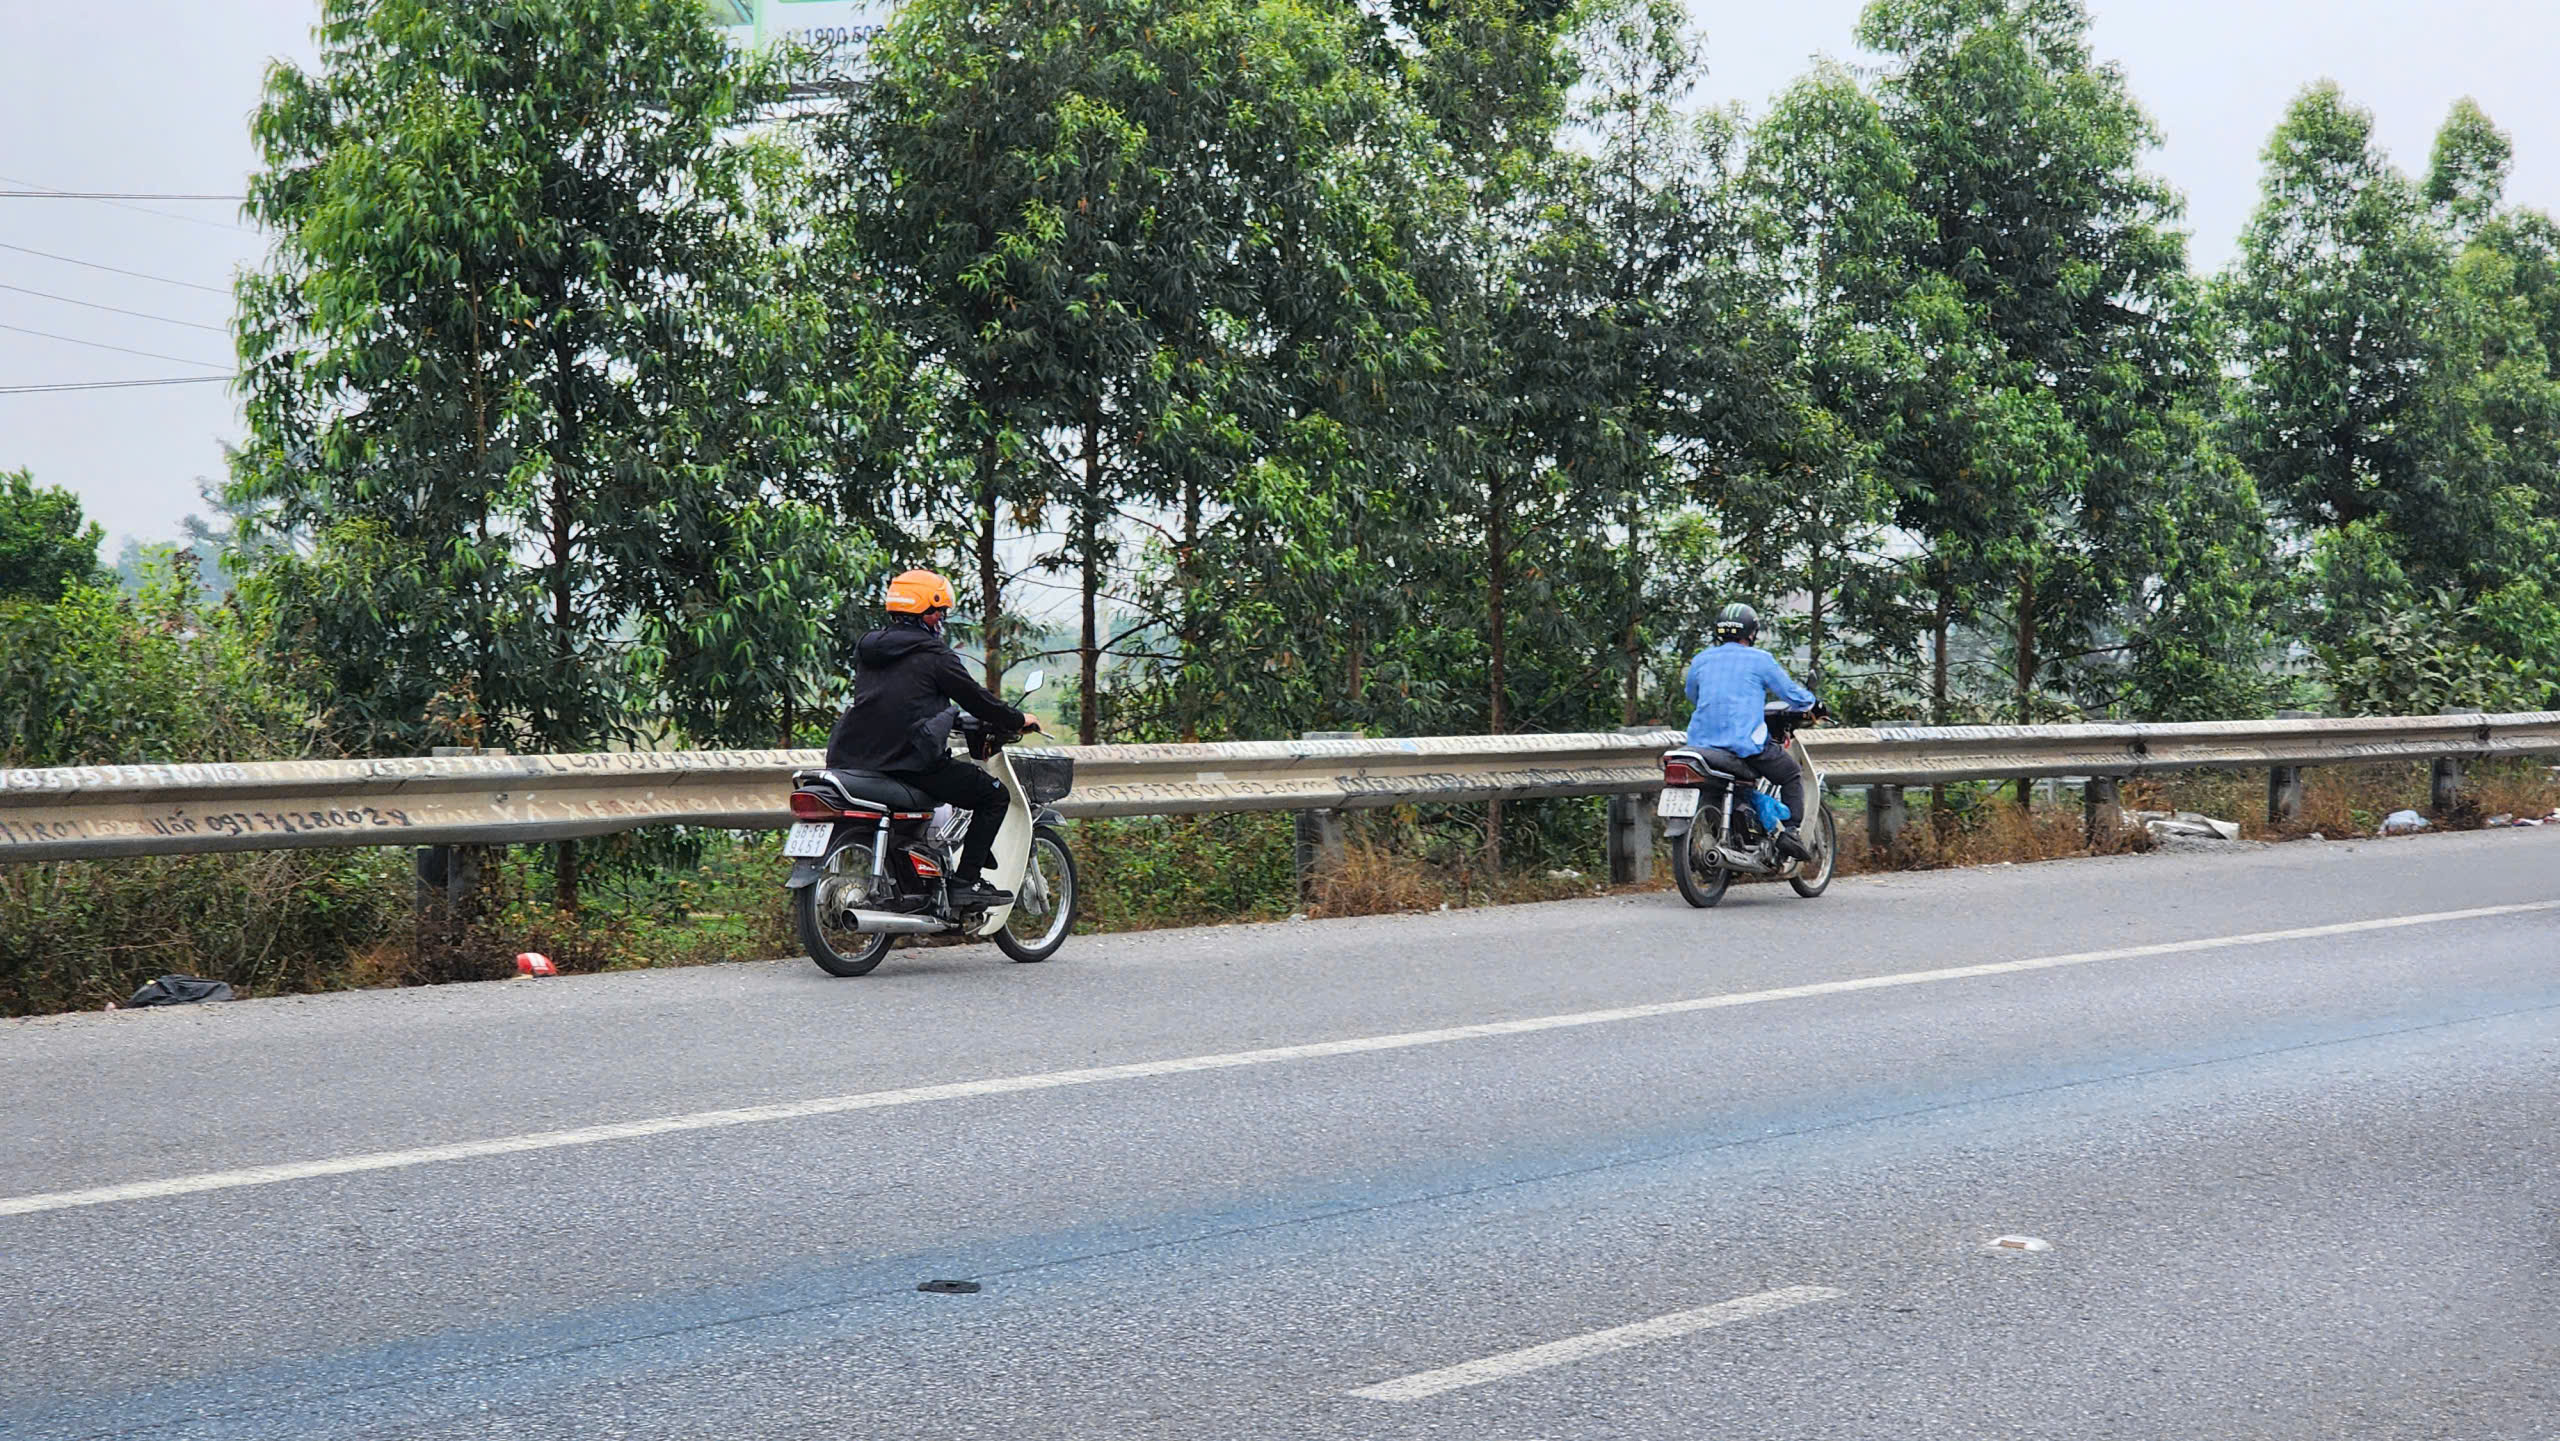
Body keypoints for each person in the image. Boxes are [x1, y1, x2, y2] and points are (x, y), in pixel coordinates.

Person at [825, 569, 1038, 908]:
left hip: (855, 758)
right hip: (909, 761)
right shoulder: (935, 657)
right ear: (926, 612)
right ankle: (966, 882)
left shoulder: (870, 651)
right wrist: (1017, 719)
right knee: (993, 796)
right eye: (939, 611)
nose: (941, 618)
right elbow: (976, 699)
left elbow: (898, 702)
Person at [1682, 602, 1824, 860]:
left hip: (1700, 747)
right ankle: (1790, 833)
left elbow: (1693, 694)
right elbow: (1791, 694)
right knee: (1792, 773)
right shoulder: (1760, 660)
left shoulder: (1701, 660)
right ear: (1751, 632)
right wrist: (1815, 705)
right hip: (1742, 746)